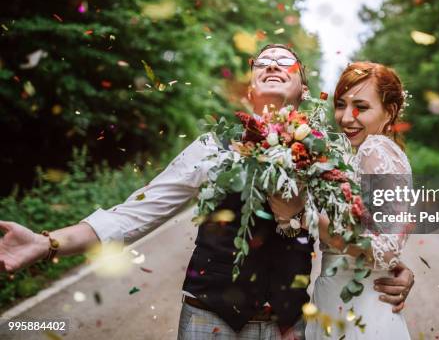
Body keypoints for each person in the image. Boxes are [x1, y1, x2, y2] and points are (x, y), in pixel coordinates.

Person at [0, 45, 414, 340]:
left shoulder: (332, 152)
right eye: (262, 62)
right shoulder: (212, 146)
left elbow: (365, 230)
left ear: (304, 90)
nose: (271, 63)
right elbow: (134, 213)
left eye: (284, 61)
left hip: (287, 325)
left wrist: (393, 269)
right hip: (208, 320)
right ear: (250, 88)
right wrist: (48, 242)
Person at [306, 62, 413, 339]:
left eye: (361, 108)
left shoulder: (374, 148)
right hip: (346, 301)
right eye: (341, 104)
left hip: (357, 308)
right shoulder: (376, 152)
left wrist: (309, 217)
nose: (346, 117)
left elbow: (386, 249)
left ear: (389, 111)